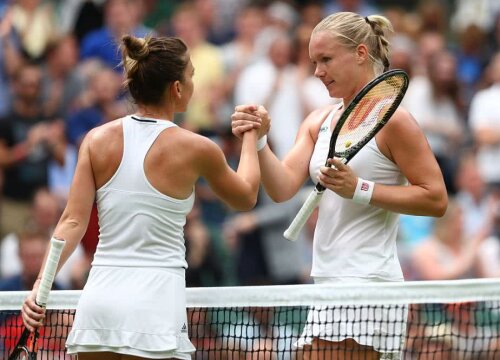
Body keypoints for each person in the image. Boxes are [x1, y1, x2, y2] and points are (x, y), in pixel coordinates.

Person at [21, 34, 263, 360]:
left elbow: (72, 221)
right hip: (156, 309)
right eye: (191, 75)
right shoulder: (198, 148)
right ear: (177, 88)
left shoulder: (95, 140)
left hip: (100, 306)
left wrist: (41, 285)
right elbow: (246, 197)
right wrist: (251, 135)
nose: (193, 82)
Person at [231, 11, 448, 360]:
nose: (317, 71)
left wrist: (359, 189)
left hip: (368, 283)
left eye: (326, 59)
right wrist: (260, 140)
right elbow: (282, 187)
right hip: (327, 281)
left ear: (361, 53)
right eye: (314, 61)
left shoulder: (396, 121)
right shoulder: (318, 120)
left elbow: (436, 199)